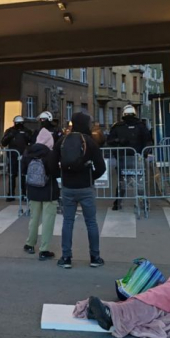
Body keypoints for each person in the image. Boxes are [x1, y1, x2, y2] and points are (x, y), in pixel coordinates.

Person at [54, 112, 106, 269]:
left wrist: (62, 175)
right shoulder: (89, 141)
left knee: (68, 221)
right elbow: (101, 167)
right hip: (85, 187)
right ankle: (95, 257)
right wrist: (91, 177)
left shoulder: (63, 140)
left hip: (68, 187)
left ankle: (66, 258)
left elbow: (51, 162)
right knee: (91, 222)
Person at [21, 128, 60, 261]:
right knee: (48, 220)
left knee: (34, 218)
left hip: (32, 190)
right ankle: (44, 250)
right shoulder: (50, 154)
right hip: (49, 191)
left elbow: (23, 170)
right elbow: (55, 172)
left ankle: (30, 244)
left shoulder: (28, 152)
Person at [106, 105, 152, 211]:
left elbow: (109, 141)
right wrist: (144, 153)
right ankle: (144, 203)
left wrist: (117, 148)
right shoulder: (141, 126)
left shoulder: (118, 126)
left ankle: (118, 203)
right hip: (137, 158)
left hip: (123, 159)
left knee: (122, 181)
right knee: (139, 181)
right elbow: (148, 141)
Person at [0, 115, 33, 202]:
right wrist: (10, 135)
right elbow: (3, 142)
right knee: (12, 175)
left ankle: (24, 194)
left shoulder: (27, 131)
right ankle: (11, 194)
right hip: (12, 156)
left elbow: (32, 142)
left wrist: (26, 136)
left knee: (23, 175)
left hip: (24, 156)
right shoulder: (10, 131)